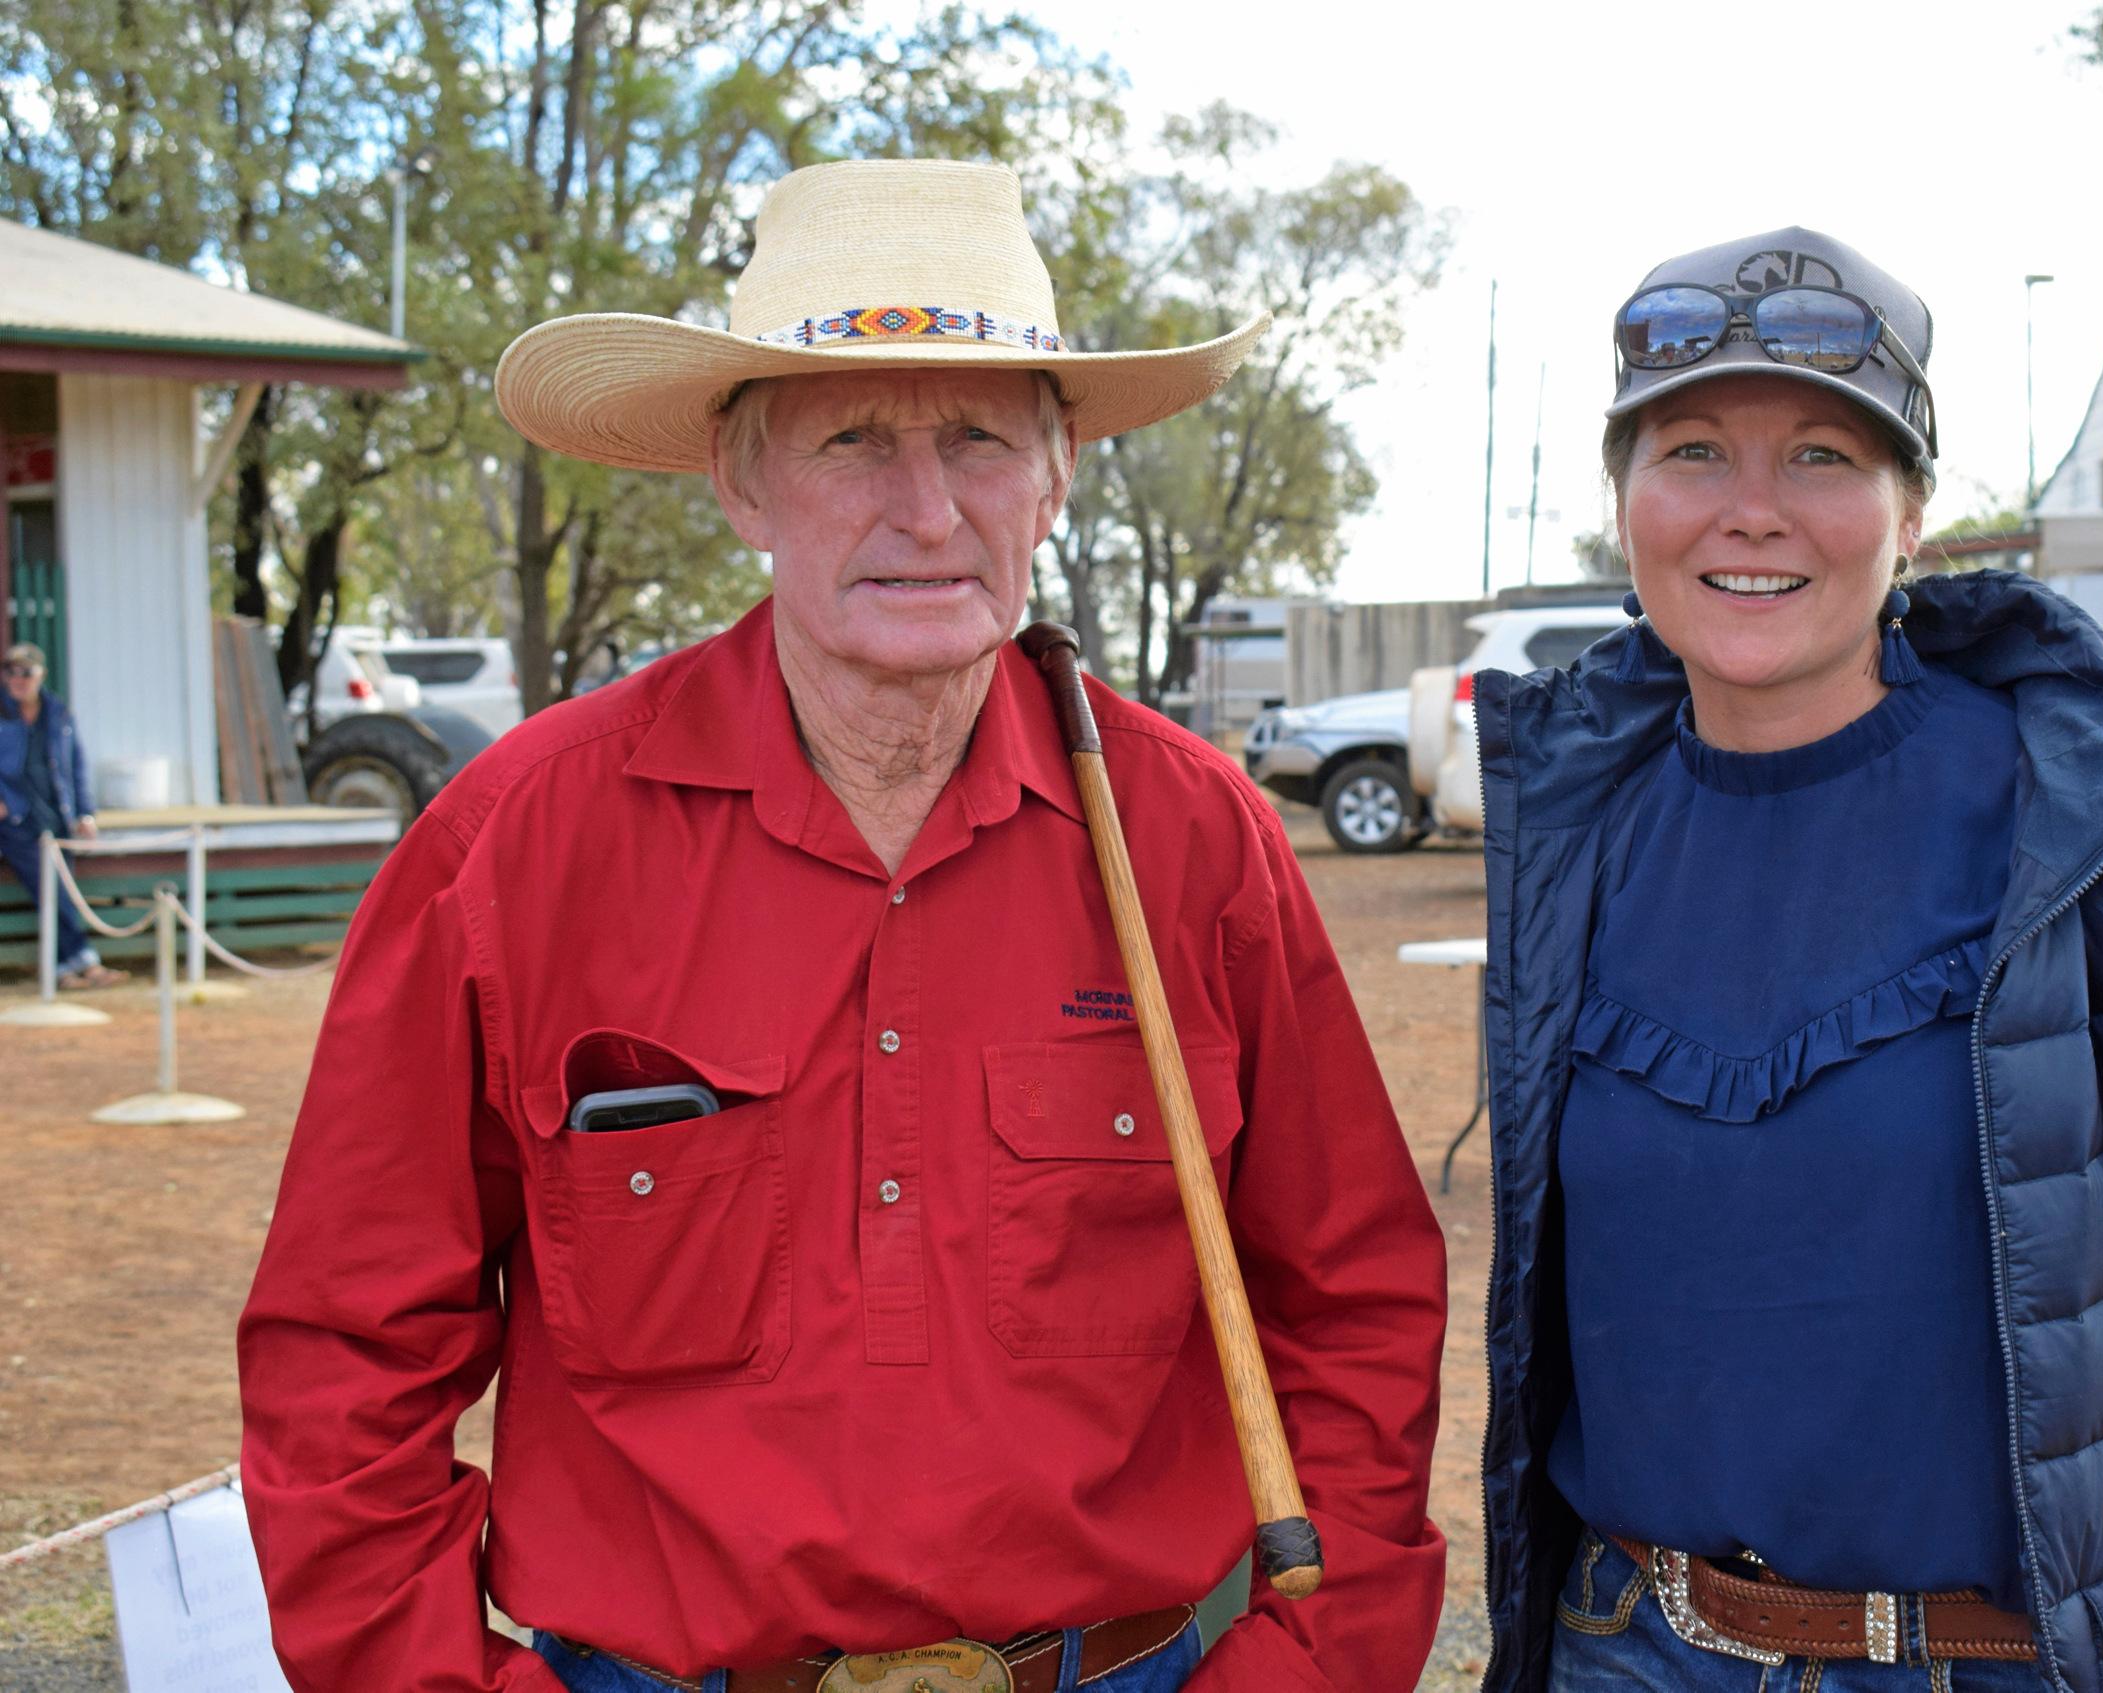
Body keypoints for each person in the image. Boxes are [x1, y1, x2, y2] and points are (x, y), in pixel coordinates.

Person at [237, 160, 1447, 1693]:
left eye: (980, 440)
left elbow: (1355, 1301)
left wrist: (1306, 1667)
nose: (925, 509)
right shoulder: (519, 844)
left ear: (1056, 476)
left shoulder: (1196, 841)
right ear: (741, 484)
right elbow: (344, 1355)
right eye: (854, 438)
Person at [1472, 230, 2103, 1693]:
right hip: (1627, 1653)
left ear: (1912, 518)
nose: (1751, 512)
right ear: (1623, 503)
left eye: (1824, 458)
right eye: (1692, 450)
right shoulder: (1576, 835)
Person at [0, 642, 124, 988]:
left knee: (60, 890)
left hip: (56, 815)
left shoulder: (57, 713)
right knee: (50, 888)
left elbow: (76, 767)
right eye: (10, 671)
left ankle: (70, 966)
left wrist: (85, 813)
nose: (17, 679)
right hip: (15, 821)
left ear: (40, 675)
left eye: (25, 672)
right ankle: (79, 963)